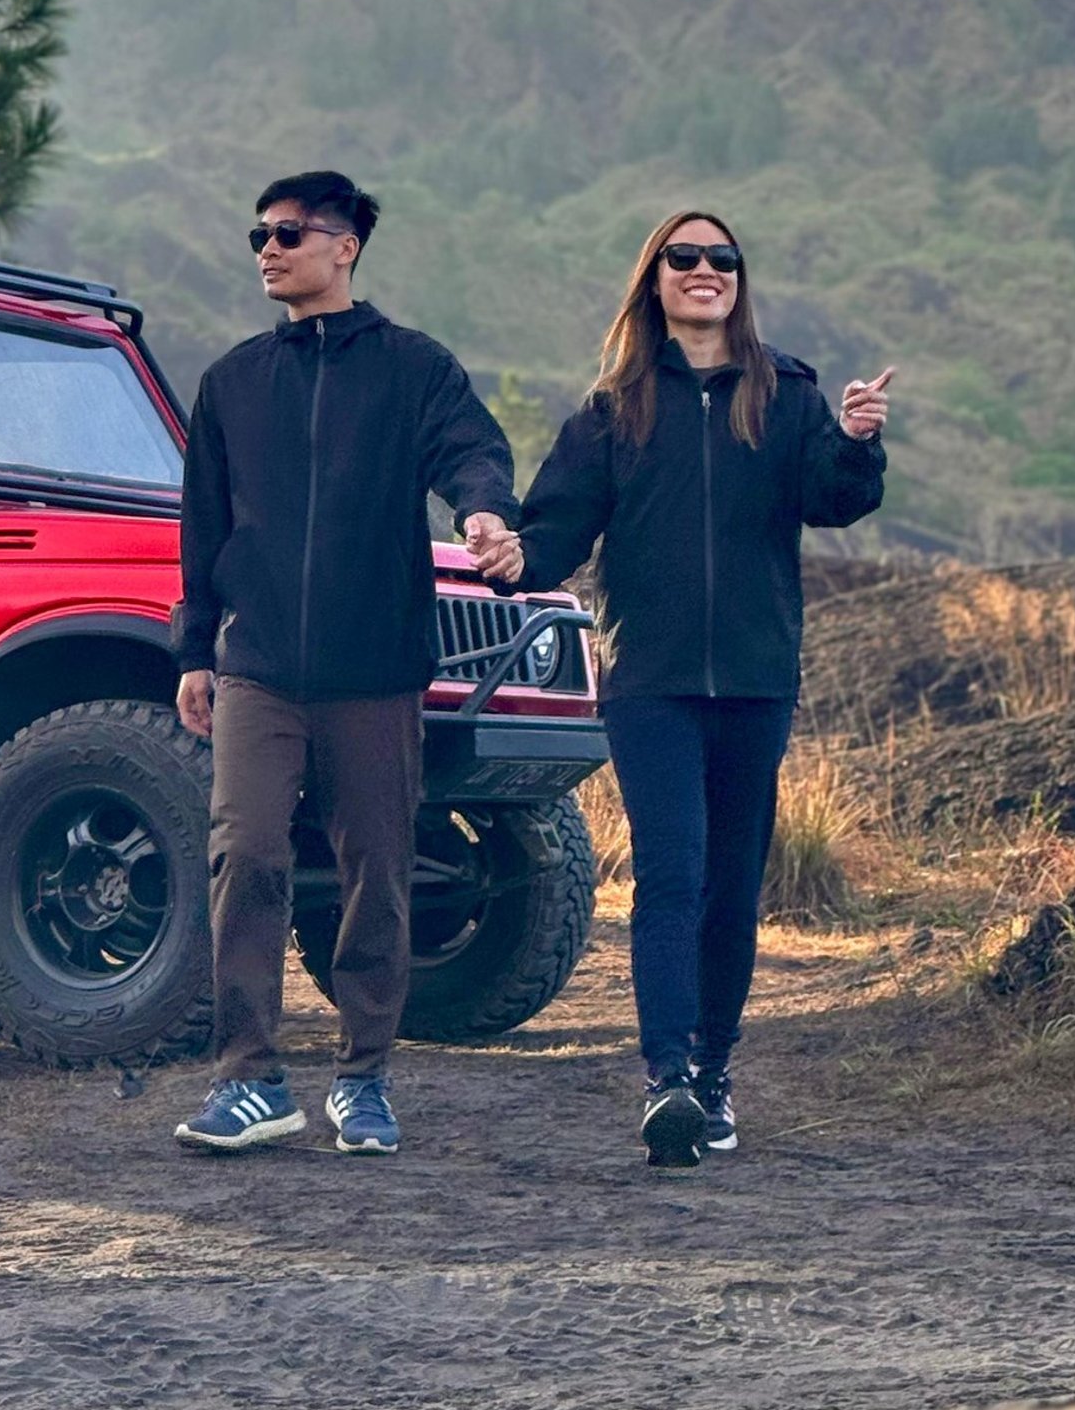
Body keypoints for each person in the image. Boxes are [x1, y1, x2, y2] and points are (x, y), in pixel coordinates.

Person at [474, 206, 890, 1169]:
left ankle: (713, 1075)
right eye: (684, 257)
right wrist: (509, 554)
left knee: (732, 891)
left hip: (754, 682)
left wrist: (860, 440)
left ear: (738, 282)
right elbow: (557, 533)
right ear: (654, 280)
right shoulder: (613, 410)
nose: (705, 270)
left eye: (723, 259)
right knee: (674, 876)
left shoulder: (785, 395)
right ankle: (666, 1081)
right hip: (650, 683)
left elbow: (835, 500)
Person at [170, 170, 521, 1158]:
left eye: (287, 233)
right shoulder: (233, 382)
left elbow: (471, 454)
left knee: (378, 866)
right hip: (258, 666)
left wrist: (486, 512)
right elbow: (202, 533)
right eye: (258, 235)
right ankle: (247, 1077)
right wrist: (196, 650)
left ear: (345, 246)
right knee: (245, 850)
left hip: (376, 670)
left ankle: (364, 1075)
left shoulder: (413, 368)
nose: (268, 250)